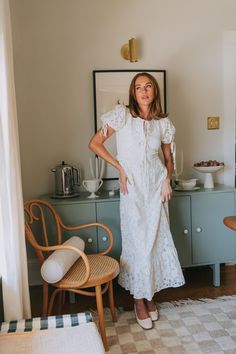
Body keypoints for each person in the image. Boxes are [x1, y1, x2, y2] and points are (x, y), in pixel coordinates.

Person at [88, 72, 185, 329]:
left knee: (153, 243)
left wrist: (167, 179)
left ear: (155, 92)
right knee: (138, 244)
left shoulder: (163, 124)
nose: (143, 91)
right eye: (139, 87)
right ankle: (138, 300)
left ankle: (149, 295)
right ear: (133, 92)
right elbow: (95, 143)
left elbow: (168, 159)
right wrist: (119, 167)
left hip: (156, 188)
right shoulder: (121, 116)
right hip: (132, 189)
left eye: (148, 86)